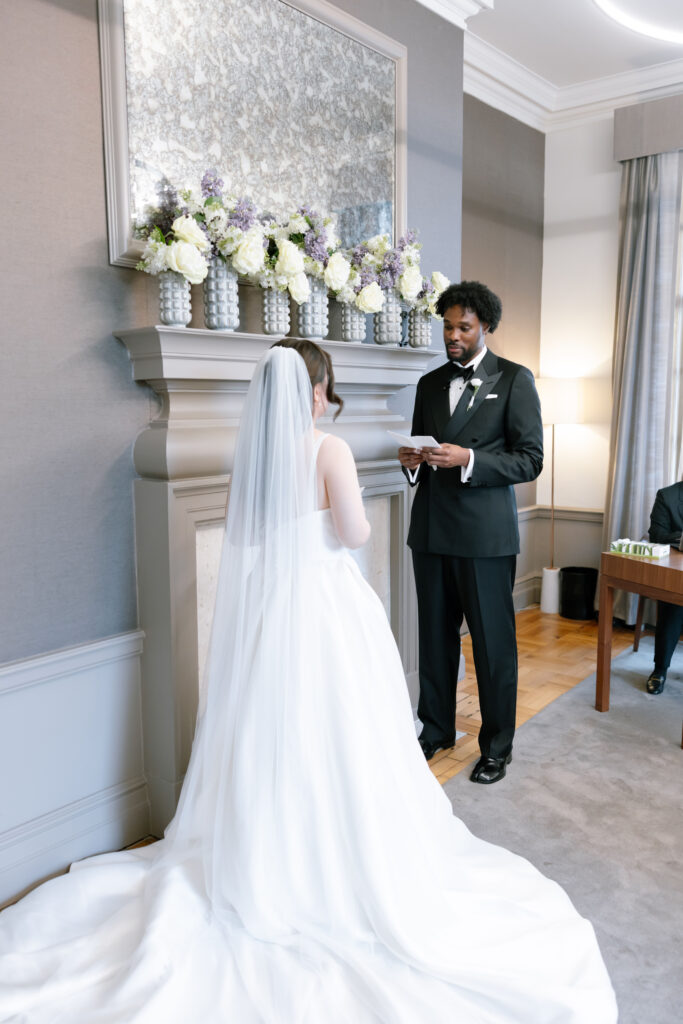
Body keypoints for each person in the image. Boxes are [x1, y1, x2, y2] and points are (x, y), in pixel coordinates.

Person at [0, 340, 616, 1022]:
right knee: (339, 729)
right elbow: (352, 534)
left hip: (273, 607)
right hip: (324, 606)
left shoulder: (253, 455)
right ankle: (338, 859)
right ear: (319, 389)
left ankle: (268, 852)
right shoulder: (328, 450)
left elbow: (248, 534)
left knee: (274, 729)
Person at [398, 281, 543, 784]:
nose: (453, 335)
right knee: (435, 640)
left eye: (464, 327)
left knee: (491, 645)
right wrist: (411, 462)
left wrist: (471, 460)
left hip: (485, 540)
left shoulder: (515, 380)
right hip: (432, 533)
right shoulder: (429, 383)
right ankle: (436, 729)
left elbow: (530, 460)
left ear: (486, 327)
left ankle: (497, 746)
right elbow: (420, 447)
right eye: (448, 326)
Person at [644, 481, 683, 694]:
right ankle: (660, 670)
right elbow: (657, 535)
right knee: (672, 605)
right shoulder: (667, 496)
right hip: (676, 571)